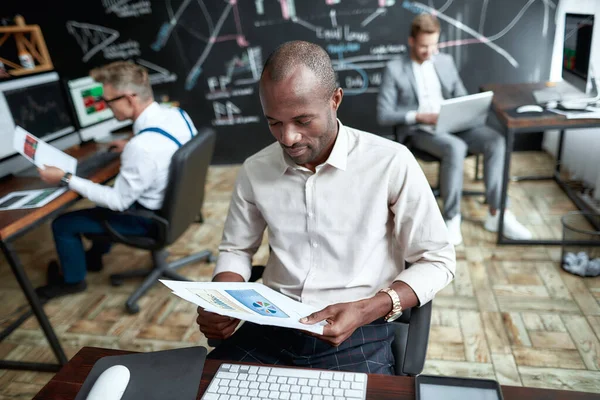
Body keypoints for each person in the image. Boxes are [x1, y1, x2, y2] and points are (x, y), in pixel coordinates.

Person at [196, 40, 456, 375]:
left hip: (360, 327)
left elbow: (437, 260)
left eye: (303, 120)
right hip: (272, 323)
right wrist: (224, 296)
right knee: (204, 389)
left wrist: (368, 308)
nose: (288, 137)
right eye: (274, 122)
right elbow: (236, 249)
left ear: (335, 100)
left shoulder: (390, 162)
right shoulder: (255, 169)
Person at [35, 61, 198, 300]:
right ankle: (94, 257)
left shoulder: (141, 148)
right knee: (101, 200)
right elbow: (159, 148)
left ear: (129, 99)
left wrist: (66, 177)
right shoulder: (176, 115)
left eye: (108, 101)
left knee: (63, 223)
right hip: (179, 206)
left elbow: (119, 202)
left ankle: (73, 282)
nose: (106, 107)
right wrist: (130, 144)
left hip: (147, 220)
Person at [377, 13, 532, 246]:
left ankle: (497, 212)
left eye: (433, 45)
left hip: (453, 124)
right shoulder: (394, 69)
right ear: (411, 41)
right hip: (420, 130)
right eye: (423, 46)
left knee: (495, 141)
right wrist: (420, 116)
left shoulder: (445, 61)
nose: (429, 51)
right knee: (455, 147)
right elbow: (384, 114)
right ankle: (452, 217)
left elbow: (459, 94)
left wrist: (466, 107)